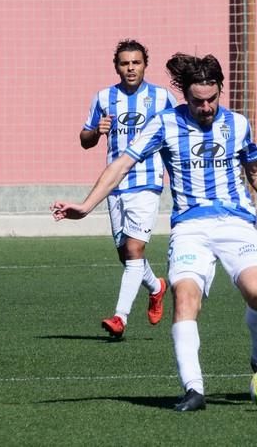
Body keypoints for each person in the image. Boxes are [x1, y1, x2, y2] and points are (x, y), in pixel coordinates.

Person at [53, 53, 257, 412]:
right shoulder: (164, 123)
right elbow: (121, 163)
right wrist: (86, 205)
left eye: (211, 99)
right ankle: (194, 389)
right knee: (185, 298)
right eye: (197, 100)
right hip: (190, 226)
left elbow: (254, 173)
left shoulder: (238, 124)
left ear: (220, 91)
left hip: (237, 223)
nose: (205, 107)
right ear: (185, 96)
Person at [80, 39, 177, 338]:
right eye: (125, 63)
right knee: (126, 254)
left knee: (135, 249)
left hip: (147, 183)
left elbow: (176, 140)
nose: (131, 68)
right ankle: (157, 286)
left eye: (136, 62)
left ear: (145, 65)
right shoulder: (104, 97)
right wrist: (97, 131)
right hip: (114, 185)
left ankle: (120, 317)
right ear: (117, 67)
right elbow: (85, 139)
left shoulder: (162, 98)